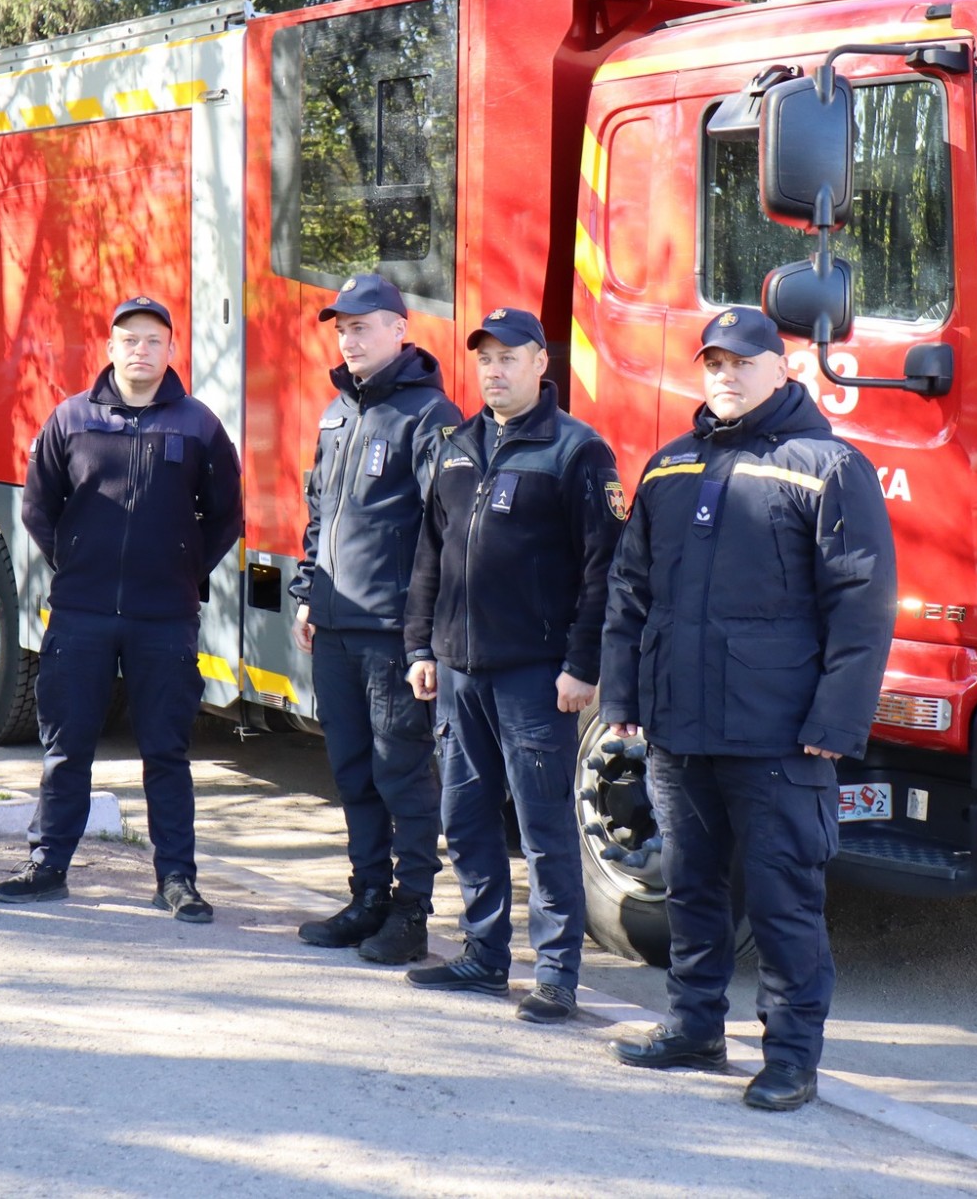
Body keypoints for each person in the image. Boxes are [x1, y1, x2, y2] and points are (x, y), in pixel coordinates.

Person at [598, 305, 895, 1110]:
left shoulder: (828, 467)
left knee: (781, 898)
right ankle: (694, 1025)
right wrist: (622, 692)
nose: (725, 376)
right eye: (714, 363)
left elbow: (862, 606)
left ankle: (792, 1056)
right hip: (680, 729)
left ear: (782, 367)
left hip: (779, 738)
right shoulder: (670, 467)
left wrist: (835, 724)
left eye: (742, 362)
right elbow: (630, 593)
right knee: (691, 888)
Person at [402, 307, 626, 1023]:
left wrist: (581, 665)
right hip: (459, 671)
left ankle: (556, 973)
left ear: (541, 365)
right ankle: (483, 952)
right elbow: (429, 554)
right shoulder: (457, 444)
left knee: (544, 826)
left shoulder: (576, 452)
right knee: (464, 816)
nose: (495, 370)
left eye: (509, 357)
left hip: (536, 676)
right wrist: (420, 646)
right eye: (486, 358)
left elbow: (603, 571)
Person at [0, 295, 242, 923]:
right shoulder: (71, 419)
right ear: (109, 348)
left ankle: (176, 878)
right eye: (129, 339)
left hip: (165, 617)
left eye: (154, 340)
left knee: (166, 751)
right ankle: (47, 866)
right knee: (66, 748)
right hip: (82, 612)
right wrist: (74, 566)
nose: (141, 350)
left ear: (170, 350)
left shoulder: (198, 424)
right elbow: (38, 506)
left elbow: (226, 515)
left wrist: (183, 571)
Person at [289, 274, 461, 964]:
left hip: (392, 633)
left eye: (363, 327)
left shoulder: (429, 415)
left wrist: (423, 638)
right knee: (353, 770)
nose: (350, 339)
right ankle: (367, 898)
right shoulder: (337, 412)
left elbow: (444, 531)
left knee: (402, 773)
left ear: (399, 329)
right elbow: (318, 511)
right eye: (343, 328)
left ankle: (411, 910)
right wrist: (308, 593)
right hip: (333, 625)